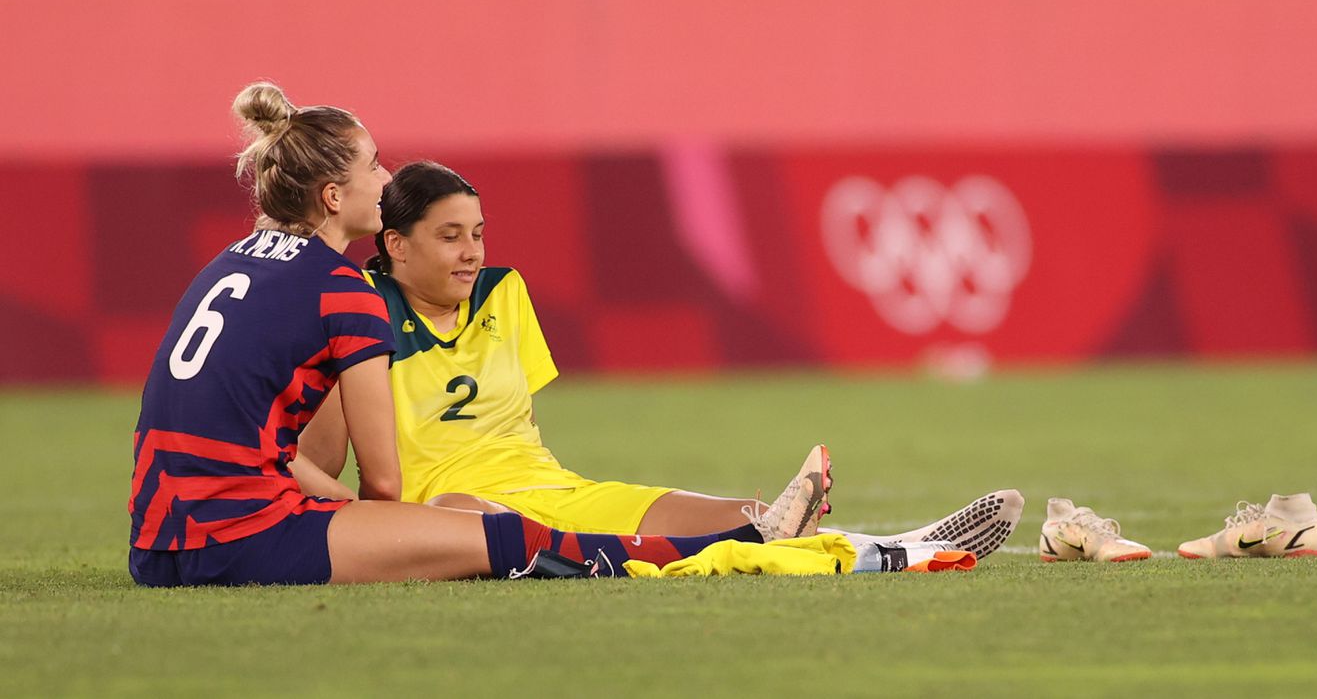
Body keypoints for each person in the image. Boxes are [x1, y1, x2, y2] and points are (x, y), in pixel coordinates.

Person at [127, 84, 833, 587]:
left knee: (498, 527)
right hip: (236, 537)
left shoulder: (226, 263)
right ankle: (730, 548)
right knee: (501, 539)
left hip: (156, 534)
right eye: (373, 164)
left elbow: (274, 443)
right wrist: (397, 538)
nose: (387, 175)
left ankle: (746, 532)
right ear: (334, 197)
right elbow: (381, 483)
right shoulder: (343, 292)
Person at [296, 160, 1024, 558]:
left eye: (478, 232)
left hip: (553, 491)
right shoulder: (357, 306)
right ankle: (899, 550)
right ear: (395, 244)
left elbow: (518, 431)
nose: (473, 251)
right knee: (496, 520)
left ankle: (905, 547)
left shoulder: (504, 293)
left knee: (751, 517)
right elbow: (326, 461)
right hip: (449, 511)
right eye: (451, 235)